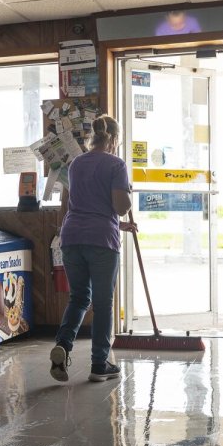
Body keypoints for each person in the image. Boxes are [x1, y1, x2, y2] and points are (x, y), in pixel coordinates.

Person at [50, 115, 138, 383]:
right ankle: (100, 364)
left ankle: (63, 346)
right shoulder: (116, 164)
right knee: (102, 304)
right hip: (101, 240)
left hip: (72, 236)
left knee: (78, 298)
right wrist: (128, 193)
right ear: (114, 139)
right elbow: (120, 207)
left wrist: (120, 226)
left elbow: (82, 205)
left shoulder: (76, 164)